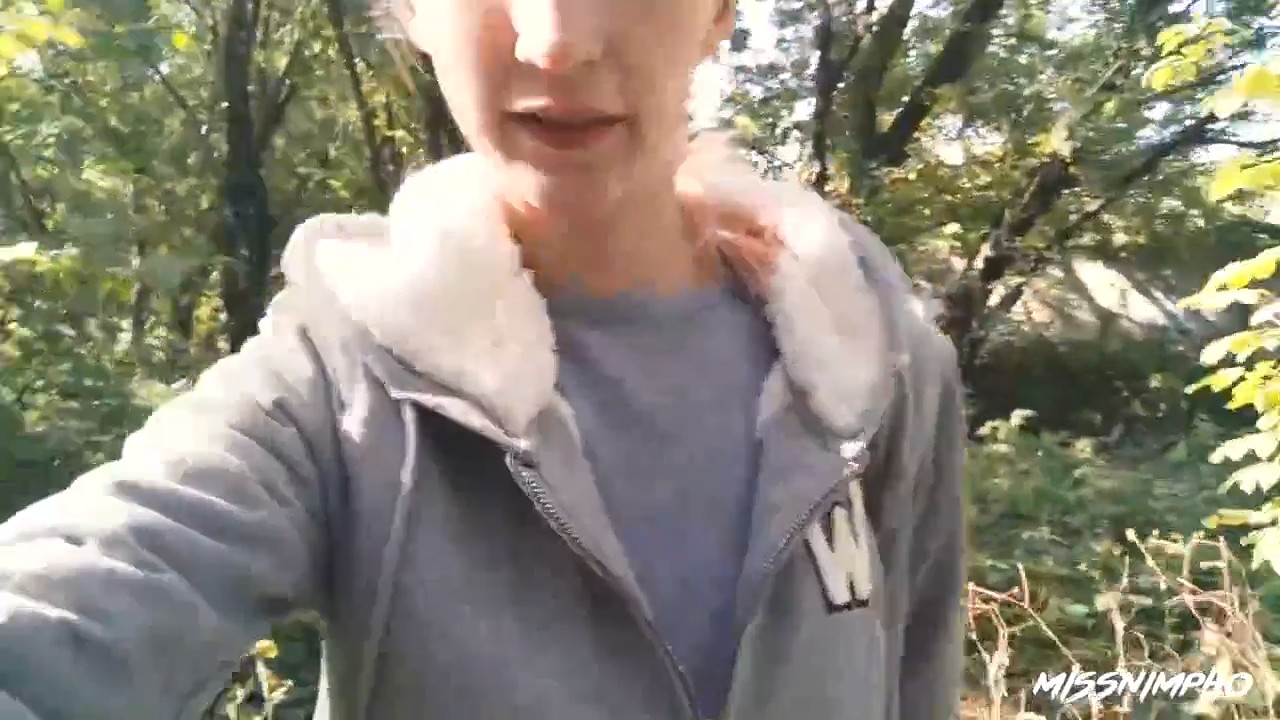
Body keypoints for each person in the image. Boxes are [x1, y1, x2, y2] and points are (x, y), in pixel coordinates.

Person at [0, 0, 968, 718]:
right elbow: (91, 587)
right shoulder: (340, 379)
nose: (556, 42)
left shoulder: (871, 368)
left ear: (719, 10)